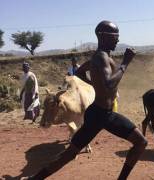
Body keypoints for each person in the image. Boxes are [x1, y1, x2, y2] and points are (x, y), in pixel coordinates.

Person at [22, 20, 147, 180]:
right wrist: (125, 63)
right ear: (102, 36)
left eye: (118, 36)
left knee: (71, 153)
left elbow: (80, 73)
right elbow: (108, 84)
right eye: (114, 36)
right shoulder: (101, 58)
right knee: (70, 154)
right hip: (100, 115)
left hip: (102, 114)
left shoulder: (101, 57)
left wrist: (95, 84)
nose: (117, 39)